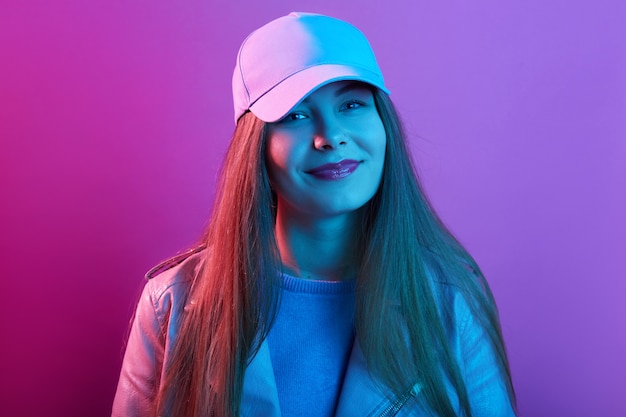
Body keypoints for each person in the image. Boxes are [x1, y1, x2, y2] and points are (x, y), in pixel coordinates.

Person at [112, 12, 517, 417]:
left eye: (353, 104)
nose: (331, 136)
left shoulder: (451, 300)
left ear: (383, 123)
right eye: (296, 115)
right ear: (257, 149)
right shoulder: (173, 303)